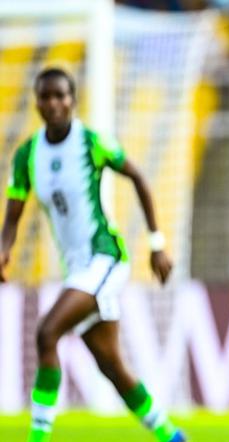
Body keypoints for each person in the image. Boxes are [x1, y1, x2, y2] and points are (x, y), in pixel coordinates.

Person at [0, 68, 185, 442]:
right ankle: (174, 437)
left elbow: (139, 178)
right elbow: (13, 215)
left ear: (72, 100)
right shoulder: (27, 156)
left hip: (106, 259)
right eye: (46, 96)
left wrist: (156, 243)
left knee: (47, 332)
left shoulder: (90, 142)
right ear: (36, 102)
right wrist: (4, 250)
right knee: (112, 366)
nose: (53, 103)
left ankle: (37, 438)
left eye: (60, 96)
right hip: (78, 270)